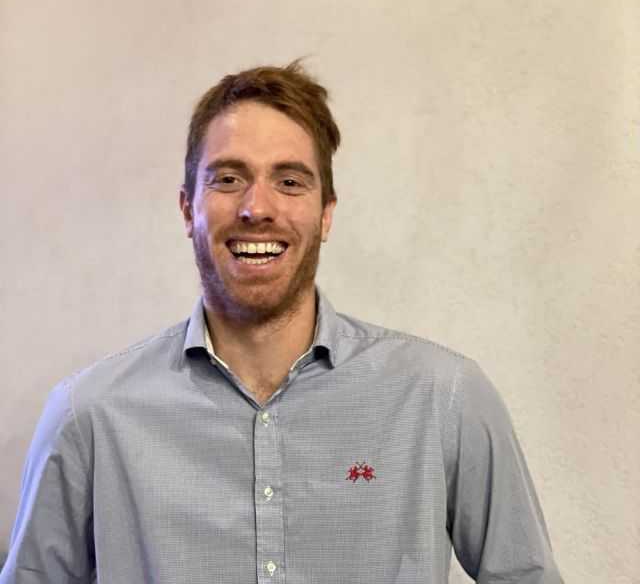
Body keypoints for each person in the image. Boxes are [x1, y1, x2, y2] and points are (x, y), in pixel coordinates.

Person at [0, 61, 564, 583]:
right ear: (187, 210)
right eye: (228, 179)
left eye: (290, 181)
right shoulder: (88, 416)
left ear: (326, 214)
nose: (258, 208)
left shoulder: (443, 399)